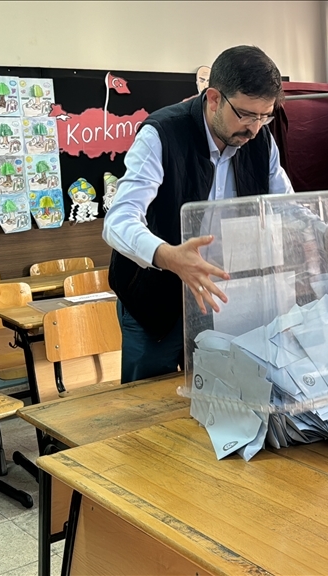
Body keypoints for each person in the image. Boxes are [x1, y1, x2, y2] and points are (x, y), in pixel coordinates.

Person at [104, 46, 293, 383]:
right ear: (214, 99)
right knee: (145, 402)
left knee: (221, 394)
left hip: (225, 301)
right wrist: (169, 256)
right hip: (155, 299)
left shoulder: (261, 140)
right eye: (246, 115)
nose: (254, 129)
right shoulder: (162, 133)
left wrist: (326, 230)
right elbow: (118, 221)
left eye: (265, 116)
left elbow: (286, 206)